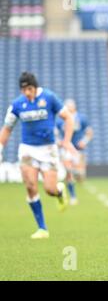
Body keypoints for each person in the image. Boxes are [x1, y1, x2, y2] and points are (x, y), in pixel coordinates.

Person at [0, 72, 75, 239]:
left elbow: (68, 118)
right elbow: (7, 128)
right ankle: (42, 228)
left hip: (48, 150)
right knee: (30, 186)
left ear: (35, 87)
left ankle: (58, 191)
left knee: (49, 189)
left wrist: (67, 140)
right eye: (24, 89)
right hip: (27, 150)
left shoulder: (49, 97)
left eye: (29, 88)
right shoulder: (17, 105)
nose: (27, 92)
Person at [56, 99, 93, 205]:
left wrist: (84, 141)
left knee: (80, 176)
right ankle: (73, 196)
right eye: (66, 106)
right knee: (69, 172)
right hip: (66, 149)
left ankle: (77, 177)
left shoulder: (82, 118)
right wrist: (59, 141)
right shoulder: (60, 120)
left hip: (78, 149)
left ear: (74, 107)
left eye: (70, 106)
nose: (68, 108)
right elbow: (55, 134)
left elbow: (90, 132)